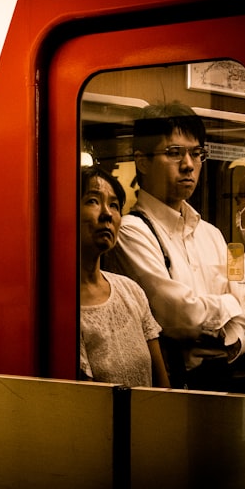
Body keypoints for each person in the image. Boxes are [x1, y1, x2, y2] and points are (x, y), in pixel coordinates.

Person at [103, 102, 245, 391]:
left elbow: (243, 305)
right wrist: (229, 308)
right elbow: (179, 315)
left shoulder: (213, 235)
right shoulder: (133, 231)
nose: (188, 165)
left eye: (196, 154)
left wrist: (231, 328)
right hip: (174, 384)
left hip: (225, 377)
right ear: (142, 161)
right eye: (174, 153)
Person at [79, 166, 170, 388]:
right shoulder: (66, 308)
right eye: (93, 201)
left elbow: (163, 386)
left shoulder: (131, 291)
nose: (107, 214)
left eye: (114, 205)